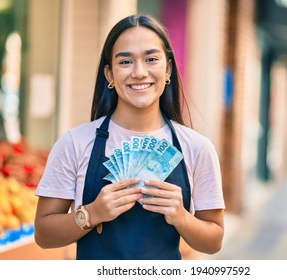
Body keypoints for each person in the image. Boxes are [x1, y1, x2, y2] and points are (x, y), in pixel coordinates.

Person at [34, 15, 225, 260]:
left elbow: (214, 241)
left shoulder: (197, 148)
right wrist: (93, 213)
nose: (139, 72)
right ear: (109, 74)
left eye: (151, 59)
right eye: (125, 61)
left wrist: (182, 217)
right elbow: (43, 234)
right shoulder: (75, 143)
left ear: (167, 69)